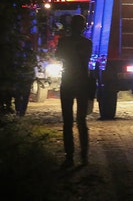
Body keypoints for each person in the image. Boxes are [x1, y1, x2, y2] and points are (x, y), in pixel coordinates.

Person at [54, 14, 93, 168]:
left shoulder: (64, 42)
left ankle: (69, 156)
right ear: (83, 26)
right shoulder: (87, 43)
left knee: (67, 122)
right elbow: (86, 59)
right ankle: (83, 156)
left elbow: (58, 56)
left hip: (68, 81)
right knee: (81, 121)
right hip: (82, 82)